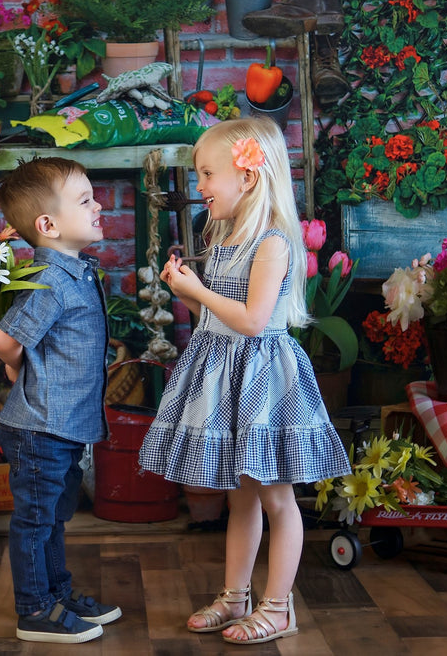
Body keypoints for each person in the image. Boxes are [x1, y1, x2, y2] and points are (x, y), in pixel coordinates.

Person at [138, 117, 351, 645]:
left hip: (261, 379)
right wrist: (188, 292)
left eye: (208, 174)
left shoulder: (272, 242)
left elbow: (254, 322)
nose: (200, 186)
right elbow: (219, 317)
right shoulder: (226, 237)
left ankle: (279, 607)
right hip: (226, 372)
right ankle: (236, 597)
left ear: (248, 176)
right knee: (242, 497)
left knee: (277, 498)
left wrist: (198, 292)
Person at [0, 157, 120, 644]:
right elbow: (6, 339)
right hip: (40, 427)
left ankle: (56, 594)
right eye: (85, 200)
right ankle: (34, 610)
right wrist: (14, 367)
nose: (98, 205)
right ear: (48, 225)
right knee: (35, 520)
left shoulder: (75, 272)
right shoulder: (49, 280)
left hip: (61, 425)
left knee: (53, 518)